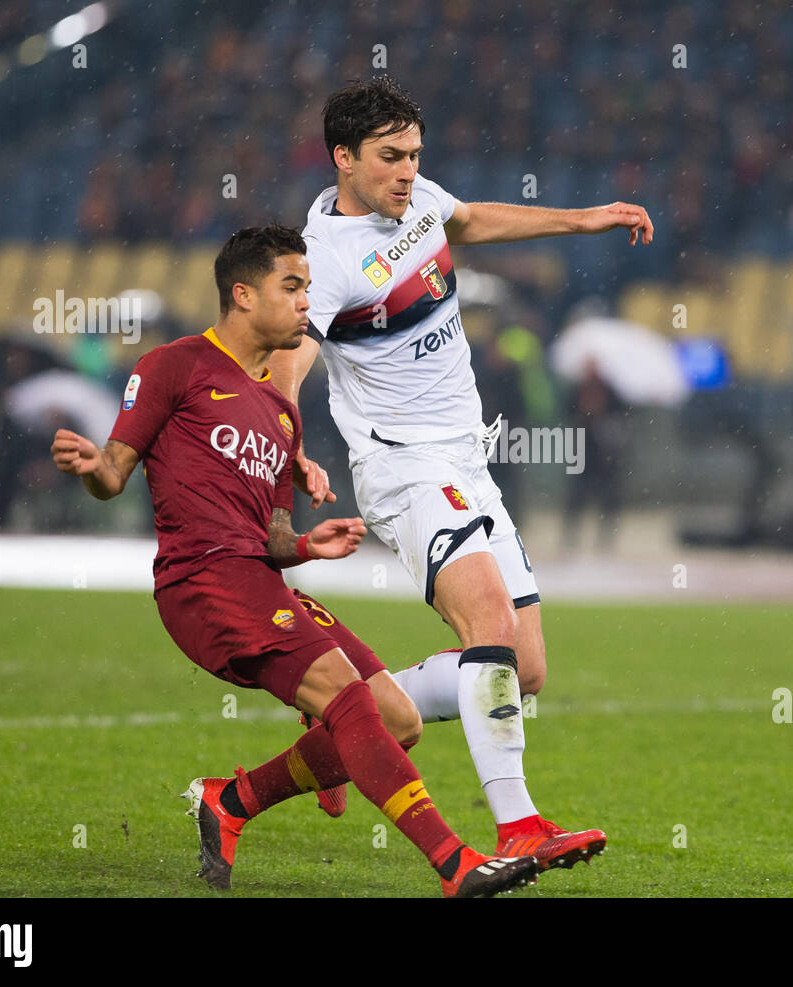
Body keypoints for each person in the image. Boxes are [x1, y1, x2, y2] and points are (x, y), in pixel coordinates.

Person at [51, 225, 537, 898]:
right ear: (243, 295)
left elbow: (274, 534)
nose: (309, 302)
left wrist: (312, 544)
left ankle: (231, 799)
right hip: (203, 583)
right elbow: (114, 472)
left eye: (310, 287)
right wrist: (90, 468)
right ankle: (455, 862)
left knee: (398, 719)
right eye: (293, 287)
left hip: (260, 578)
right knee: (344, 694)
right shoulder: (175, 365)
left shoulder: (281, 414)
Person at [268, 76, 653, 869]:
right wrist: (290, 443)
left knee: (527, 668)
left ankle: (350, 712)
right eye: (388, 158)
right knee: (489, 631)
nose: (406, 171)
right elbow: (288, 363)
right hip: (404, 468)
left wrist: (585, 219)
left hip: (467, 460)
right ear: (342, 158)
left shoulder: (414, 202)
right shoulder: (328, 262)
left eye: (413, 154)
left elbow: (469, 219)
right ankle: (520, 826)